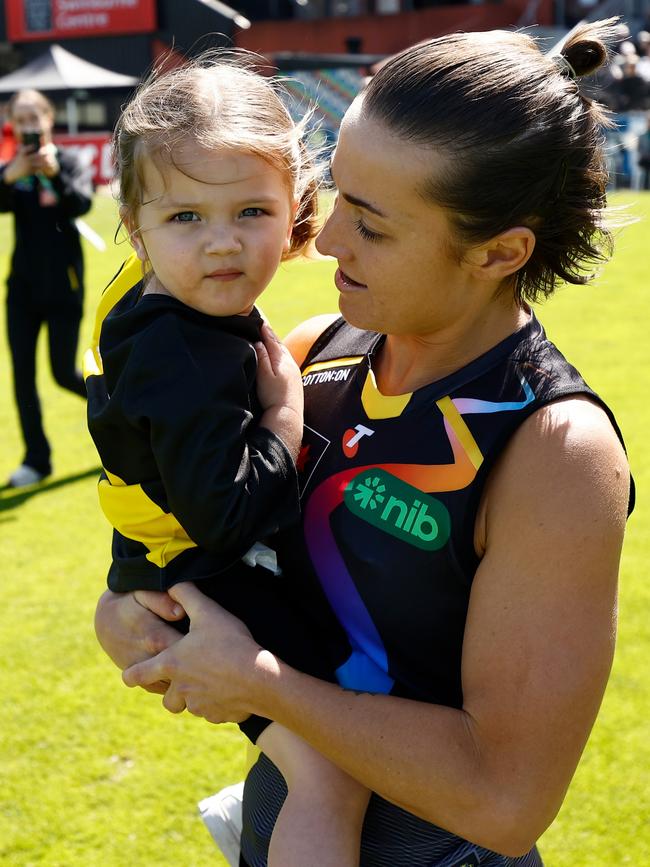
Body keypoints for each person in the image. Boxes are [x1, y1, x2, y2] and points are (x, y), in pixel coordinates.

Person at [95, 21, 634, 867]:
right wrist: (135, 617)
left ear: (499, 251)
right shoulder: (310, 351)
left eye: (373, 225)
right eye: (337, 193)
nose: (330, 237)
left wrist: (264, 684)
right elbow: (190, 545)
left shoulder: (555, 450)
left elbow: (506, 799)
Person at [85, 58, 371, 867]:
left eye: (251, 210)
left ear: (295, 213)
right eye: (185, 218)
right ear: (136, 226)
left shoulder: (163, 300)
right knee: (330, 774)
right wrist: (284, 412)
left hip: (175, 564)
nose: (221, 242)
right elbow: (226, 510)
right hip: (201, 575)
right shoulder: (176, 350)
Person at [0, 88, 92, 488]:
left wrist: (54, 174)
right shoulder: (11, 169)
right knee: (22, 377)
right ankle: (37, 460)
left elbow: (81, 204)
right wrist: (9, 176)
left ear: (48, 120)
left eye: (33, 118)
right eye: (20, 121)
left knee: (62, 373)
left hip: (63, 288)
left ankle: (124, 413)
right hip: (21, 288)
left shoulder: (68, 161)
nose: (28, 127)